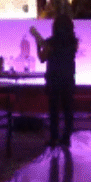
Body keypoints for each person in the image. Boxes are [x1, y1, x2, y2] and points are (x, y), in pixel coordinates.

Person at [30, 14, 78, 148]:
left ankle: (54, 138)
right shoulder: (73, 42)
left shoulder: (50, 43)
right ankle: (67, 137)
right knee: (68, 109)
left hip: (54, 79)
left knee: (54, 110)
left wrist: (37, 44)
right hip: (68, 78)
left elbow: (42, 58)